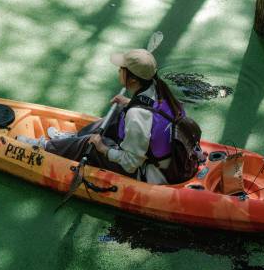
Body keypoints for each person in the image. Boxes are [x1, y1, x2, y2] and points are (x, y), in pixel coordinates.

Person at [18, 49, 185, 185]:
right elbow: (153, 114)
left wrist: (103, 149)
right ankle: (72, 139)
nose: (118, 71)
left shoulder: (137, 115)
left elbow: (130, 163)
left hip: (150, 173)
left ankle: (45, 146)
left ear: (133, 80)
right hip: (164, 160)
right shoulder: (160, 92)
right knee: (119, 112)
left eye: (121, 69)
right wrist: (128, 103)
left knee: (90, 143)